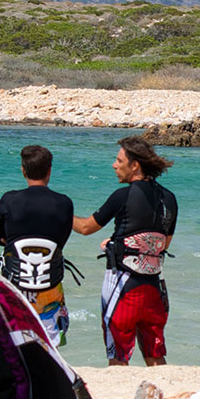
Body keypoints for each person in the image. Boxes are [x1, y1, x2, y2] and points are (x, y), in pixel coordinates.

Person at [72, 136, 178, 366]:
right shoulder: (169, 198)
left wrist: (59, 211)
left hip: (122, 286)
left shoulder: (123, 195)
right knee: (155, 355)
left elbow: (85, 227)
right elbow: (163, 243)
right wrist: (122, 239)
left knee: (118, 357)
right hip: (153, 288)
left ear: (135, 165)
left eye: (119, 160)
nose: (114, 165)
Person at [0, 144, 76, 346]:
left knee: (15, 341)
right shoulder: (64, 202)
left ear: (23, 170)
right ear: (49, 171)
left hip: (15, 283)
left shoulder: (9, 199)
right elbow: (60, 242)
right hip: (50, 284)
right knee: (49, 344)